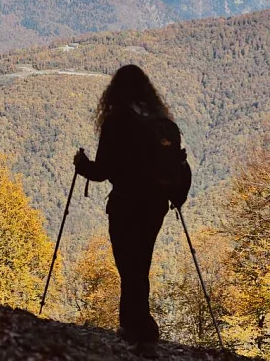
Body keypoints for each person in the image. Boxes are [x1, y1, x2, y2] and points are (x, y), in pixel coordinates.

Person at [73, 64, 188, 356]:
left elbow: (102, 171)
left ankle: (140, 329)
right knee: (140, 264)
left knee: (128, 265)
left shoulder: (117, 121)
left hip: (126, 202)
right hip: (156, 205)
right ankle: (134, 327)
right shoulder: (159, 119)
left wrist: (81, 164)